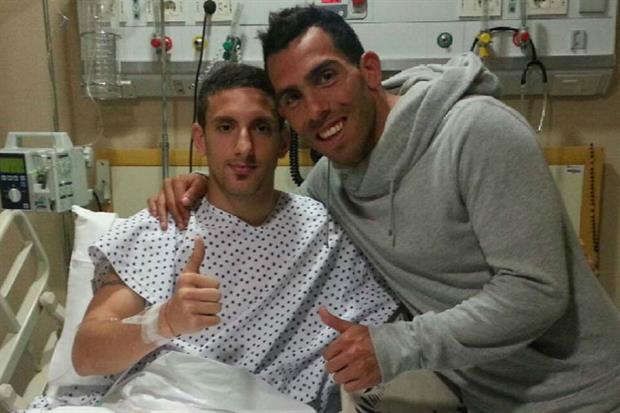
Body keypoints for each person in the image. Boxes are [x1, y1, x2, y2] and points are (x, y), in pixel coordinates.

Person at [149, 5, 620, 413]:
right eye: (292, 97)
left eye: (325, 77)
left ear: (370, 71)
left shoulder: (477, 133)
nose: (315, 110)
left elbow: (536, 292)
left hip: (585, 396)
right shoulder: (332, 183)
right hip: (485, 400)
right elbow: (273, 211)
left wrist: (398, 346)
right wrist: (206, 186)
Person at [70, 62, 398, 412]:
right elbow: (86, 355)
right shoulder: (163, 228)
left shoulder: (327, 233)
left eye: (261, 127)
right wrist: (163, 321)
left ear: (283, 141)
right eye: (226, 127)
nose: (244, 147)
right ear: (201, 139)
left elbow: (386, 324)